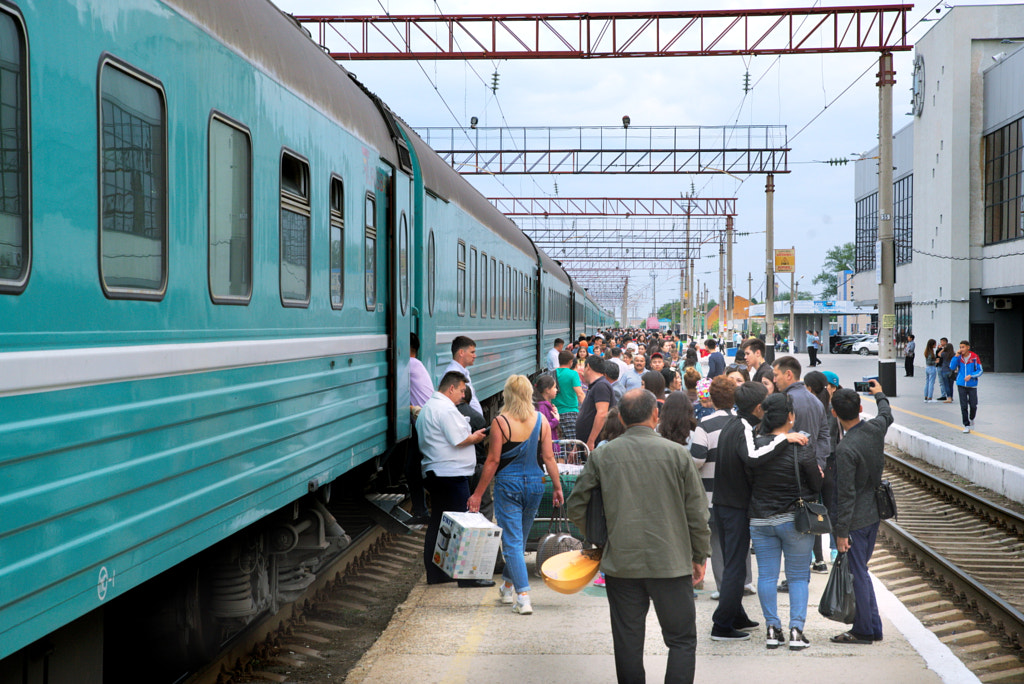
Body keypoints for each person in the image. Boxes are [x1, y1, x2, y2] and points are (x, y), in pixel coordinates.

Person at [568, 389, 711, 684]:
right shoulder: (676, 454)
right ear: (655, 415)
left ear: (620, 417)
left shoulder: (603, 454)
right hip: (671, 563)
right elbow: (697, 513)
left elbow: (576, 506)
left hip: (622, 563)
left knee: (628, 644)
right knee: (682, 640)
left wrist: (599, 538)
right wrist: (699, 555)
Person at [711, 382, 805, 641]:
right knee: (736, 569)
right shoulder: (741, 427)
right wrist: (783, 439)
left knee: (735, 562)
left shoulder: (733, 422)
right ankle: (721, 625)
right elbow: (753, 456)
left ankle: (736, 615)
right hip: (734, 507)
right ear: (758, 408)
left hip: (724, 504)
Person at [468, 375, 563, 615]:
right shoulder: (541, 420)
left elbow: (493, 460)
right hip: (535, 484)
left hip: (508, 485)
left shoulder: (501, 422)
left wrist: (478, 494)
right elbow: (549, 458)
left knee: (511, 542)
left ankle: (523, 596)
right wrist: (558, 487)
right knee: (517, 540)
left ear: (507, 395)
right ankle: (508, 586)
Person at [745, 393, 823, 651]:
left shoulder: (756, 445)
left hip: (760, 519)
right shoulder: (801, 444)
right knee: (799, 577)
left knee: (766, 576)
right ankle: (796, 632)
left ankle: (771, 628)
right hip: (795, 521)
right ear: (790, 416)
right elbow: (816, 483)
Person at [830, 379, 892, 645]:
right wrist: (879, 393)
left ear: (834, 413)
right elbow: (886, 414)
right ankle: (873, 626)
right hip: (873, 513)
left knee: (858, 573)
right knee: (862, 571)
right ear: (859, 407)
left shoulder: (845, 449)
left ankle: (863, 630)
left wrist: (840, 533)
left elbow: (845, 496)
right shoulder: (875, 429)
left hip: (855, 520)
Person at [418, 371, 491, 587]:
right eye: (461, 390)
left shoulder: (431, 406)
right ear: (451, 388)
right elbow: (459, 439)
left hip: (439, 472)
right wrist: (477, 437)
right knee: (461, 525)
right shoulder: (445, 409)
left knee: (439, 524)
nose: (462, 395)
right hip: (450, 474)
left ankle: (437, 574)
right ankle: (466, 578)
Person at [772, 356, 831, 574]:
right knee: (807, 519)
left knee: (790, 526)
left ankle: (795, 573)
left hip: (787, 475)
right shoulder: (815, 401)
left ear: (789, 374)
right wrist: (818, 463)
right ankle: (805, 567)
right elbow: (825, 435)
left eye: (776, 375)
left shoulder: (784, 401)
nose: (774, 379)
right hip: (810, 473)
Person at [689, 376, 737, 601]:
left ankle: (723, 588)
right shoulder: (742, 422)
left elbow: (697, 458)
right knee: (737, 545)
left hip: (711, 494)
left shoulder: (706, 425)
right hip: (739, 496)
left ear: (712, 398)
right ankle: (739, 586)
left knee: (717, 543)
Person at [407, 333, 434, 521]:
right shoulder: (418, 365)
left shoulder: (409, 365)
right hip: (424, 423)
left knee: (414, 469)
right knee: (413, 467)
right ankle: (421, 510)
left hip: (425, 425)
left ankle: (422, 511)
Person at [577, 356, 615, 452]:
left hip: (595, 445)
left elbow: (602, 414)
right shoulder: (595, 386)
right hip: (586, 444)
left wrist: (591, 441)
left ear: (588, 366)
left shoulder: (601, 386)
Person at [950, 339, 983, 433]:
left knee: (973, 405)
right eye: (960, 347)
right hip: (961, 384)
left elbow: (980, 370)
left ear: (968, 347)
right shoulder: (959, 357)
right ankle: (966, 425)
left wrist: (971, 375)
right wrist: (955, 356)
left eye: (963, 347)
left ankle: (972, 418)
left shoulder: (974, 357)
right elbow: (952, 367)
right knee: (963, 405)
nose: (961, 349)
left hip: (972, 385)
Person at [444, 336, 483, 416]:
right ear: (461, 352)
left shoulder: (463, 372)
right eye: (472, 352)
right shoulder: (453, 375)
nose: (474, 356)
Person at [553, 349, 584, 445]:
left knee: (559, 448)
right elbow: (579, 393)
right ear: (571, 362)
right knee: (574, 446)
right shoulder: (573, 374)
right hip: (570, 413)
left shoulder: (553, 373)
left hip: (555, 413)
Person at [937, 337, 955, 403]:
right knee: (951, 385)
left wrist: (943, 349)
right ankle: (951, 397)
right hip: (951, 370)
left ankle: (949, 397)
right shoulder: (953, 354)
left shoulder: (944, 354)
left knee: (946, 384)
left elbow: (938, 354)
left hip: (944, 370)